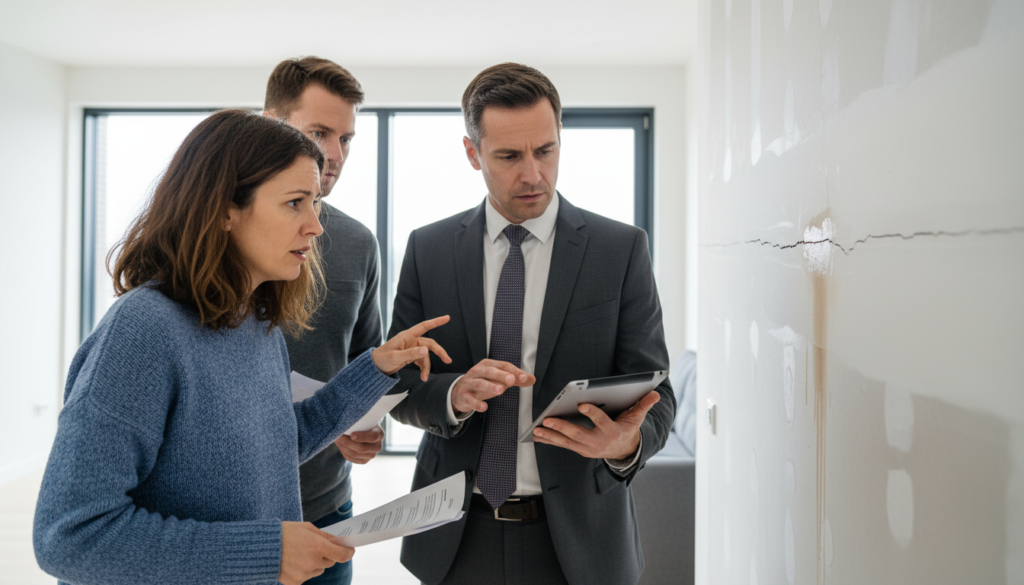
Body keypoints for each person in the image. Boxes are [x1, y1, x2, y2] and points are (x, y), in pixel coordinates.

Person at [33, 109, 451, 585]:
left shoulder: (255, 321)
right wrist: (267, 553)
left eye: (314, 202)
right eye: (295, 203)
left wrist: (373, 367)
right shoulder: (142, 333)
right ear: (226, 210)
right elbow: (69, 536)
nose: (316, 226)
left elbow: (273, 447)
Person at [387, 63, 676, 585]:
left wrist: (624, 446)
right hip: (455, 537)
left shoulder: (620, 250)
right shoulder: (427, 250)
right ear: (472, 154)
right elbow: (399, 387)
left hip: (581, 544)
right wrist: (452, 396)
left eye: (545, 151)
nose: (533, 174)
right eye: (509, 156)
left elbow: (659, 396)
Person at [263, 56, 382, 585]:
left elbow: (366, 362)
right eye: (318, 133)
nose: (333, 155)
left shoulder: (357, 244)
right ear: (269, 123)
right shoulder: (209, 246)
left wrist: (363, 424)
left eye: (346, 139)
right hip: (233, 521)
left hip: (326, 508)